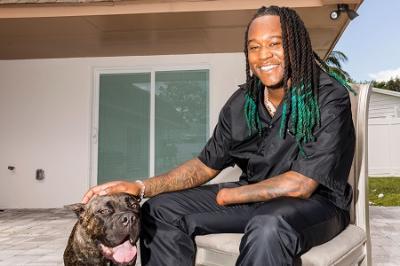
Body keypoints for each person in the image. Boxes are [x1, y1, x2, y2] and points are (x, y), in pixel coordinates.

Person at [82, 5, 355, 265]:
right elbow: (204, 165)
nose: (264, 56)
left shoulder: (329, 97)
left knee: (269, 226)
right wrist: (140, 186)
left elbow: (302, 184)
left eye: (275, 44)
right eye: (254, 48)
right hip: (253, 198)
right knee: (159, 210)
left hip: (316, 205)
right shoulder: (242, 103)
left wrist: (232, 196)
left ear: (297, 45)